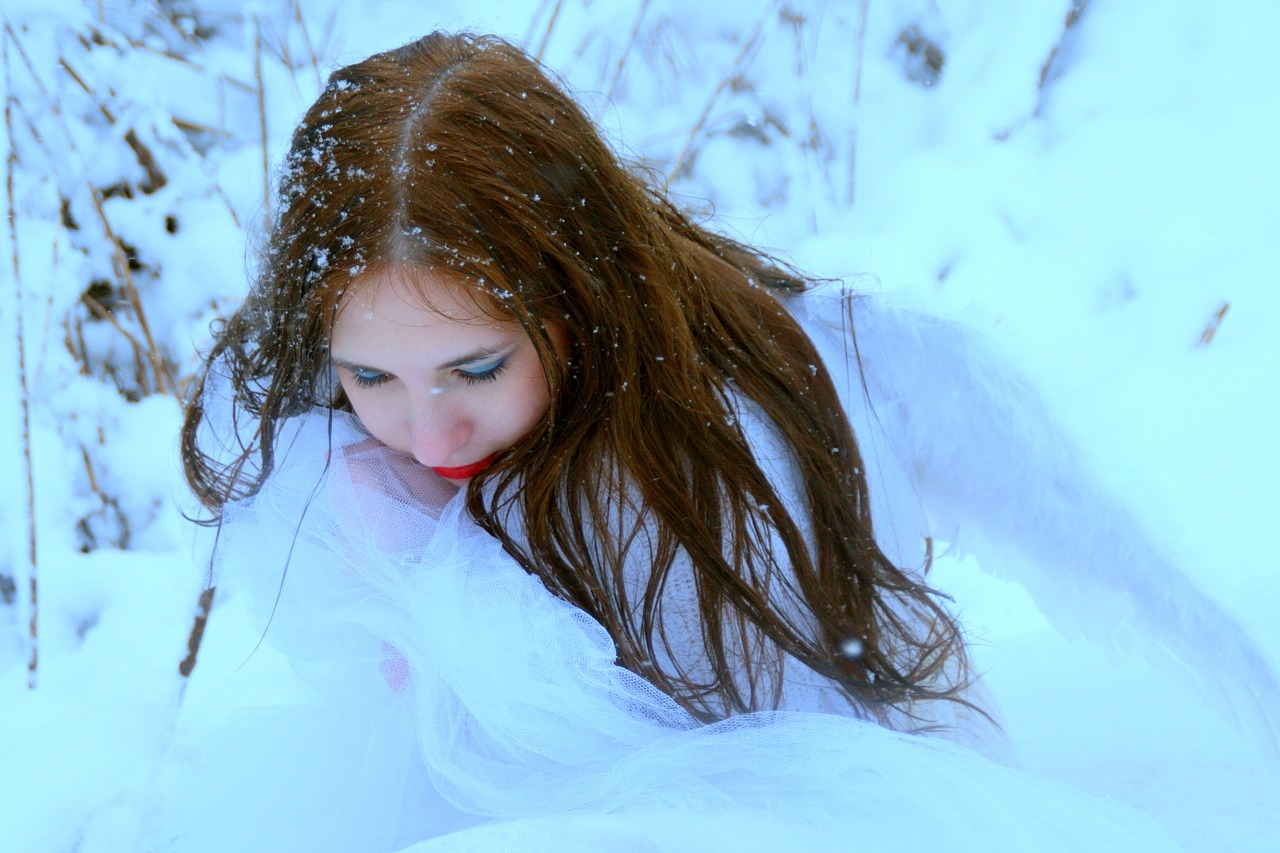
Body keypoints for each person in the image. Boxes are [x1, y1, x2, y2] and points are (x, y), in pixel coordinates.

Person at [171, 30, 1265, 852]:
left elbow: (1152, 584)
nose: (427, 427)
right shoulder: (349, 471)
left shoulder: (775, 410)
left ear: (572, 298)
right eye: (372, 376)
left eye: (476, 368)